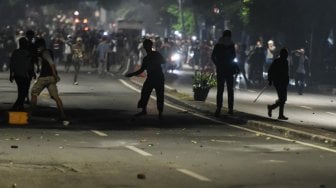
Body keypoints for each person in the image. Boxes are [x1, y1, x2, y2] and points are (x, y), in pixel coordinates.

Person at [126, 39, 165, 120]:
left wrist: (154, 64)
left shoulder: (155, 54)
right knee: (145, 93)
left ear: (149, 46)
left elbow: (163, 61)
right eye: (145, 46)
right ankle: (144, 110)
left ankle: (160, 113)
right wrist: (132, 74)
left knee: (159, 95)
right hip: (151, 78)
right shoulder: (146, 58)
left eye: (146, 45)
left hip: (158, 77)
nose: (145, 47)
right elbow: (141, 70)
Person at [30, 38, 67, 122]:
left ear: (41, 46)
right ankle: (62, 115)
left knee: (33, 93)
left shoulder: (45, 52)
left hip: (45, 77)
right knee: (56, 97)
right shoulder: (46, 52)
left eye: (38, 47)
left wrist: (55, 75)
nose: (37, 48)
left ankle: (30, 114)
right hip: (50, 78)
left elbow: (52, 64)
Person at [211, 30, 239, 117]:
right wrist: (218, 64)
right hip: (223, 69)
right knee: (221, 90)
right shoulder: (219, 45)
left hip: (228, 69)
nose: (228, 38)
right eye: (227, 36)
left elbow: (234, 56)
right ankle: (219, 108)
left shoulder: (231, 45)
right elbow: (213, 56)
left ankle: (230, 109)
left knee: (229, 90)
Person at [9, 37, 31, 110]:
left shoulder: (15, 52)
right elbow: (28, 65)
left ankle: (20, 106)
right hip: (24, 75)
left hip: (17, 74)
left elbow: (12, 64)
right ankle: (16, 106)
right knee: (23, 91)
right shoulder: (27, 53)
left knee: (21, 90)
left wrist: (11, 74)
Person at [267, 48, 289, 120]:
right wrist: (270, 80)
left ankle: (272, 108)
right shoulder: (277, 61)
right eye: (285, 54)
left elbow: (286, 73)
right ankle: (280, 114)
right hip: (278, 82)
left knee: (283, 99)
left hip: (284, 82)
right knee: (282, 98)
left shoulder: (286, 62)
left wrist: (287, 80)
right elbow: (270, 71)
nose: (286, 55)